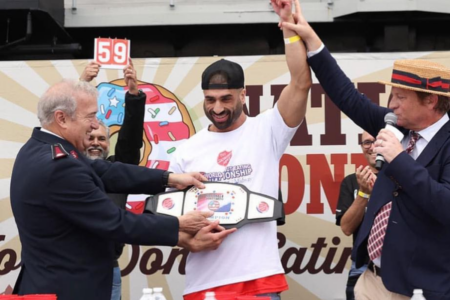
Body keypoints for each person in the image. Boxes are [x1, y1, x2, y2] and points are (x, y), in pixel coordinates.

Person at [280, 1, 450, 299]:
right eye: (391, 96)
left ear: (431, 102)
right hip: (372, 281)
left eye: (400, 97)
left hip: (422, 289)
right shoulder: (397, 125)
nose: (392, 105)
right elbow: (346, 96)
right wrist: (310, 38)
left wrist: (399, 159)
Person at [10, 79, 236, 300]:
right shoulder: (59, 166)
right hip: (66, 290)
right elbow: (115, 222)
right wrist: (179, 226)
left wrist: (170, 178)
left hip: (48, 285)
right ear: (62, 118)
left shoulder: (39, 149)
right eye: (90, 116)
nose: (94, 124)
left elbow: (107, 172)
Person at [168, 1, 312, 299]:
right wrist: (189, 242)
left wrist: (289, 26)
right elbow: (172, 221)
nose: (217, 108)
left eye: (226, 99)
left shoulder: (267, 130)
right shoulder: (187, 151)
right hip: (204, 283)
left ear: (243, 95)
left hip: (259, 280)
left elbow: (300, 83)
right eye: (210, 100)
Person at [80, 60, 145, 300]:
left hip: (108, 268)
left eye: (102, 139)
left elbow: (130, 142)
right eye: (91, 137)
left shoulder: (117, 171)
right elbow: (55, 132)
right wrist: (82, 84)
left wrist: (134, 94)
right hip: (70, 268)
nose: (96, 142)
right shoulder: (67, 166)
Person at [336, 131, 377, 300]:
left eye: (377, 141)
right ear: (361, 147)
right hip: (362, 266)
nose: (372, 147)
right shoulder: (352, 181)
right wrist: (363, 193)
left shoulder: (403, 177)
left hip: (400, 267)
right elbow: (346, 228)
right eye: (367, 142)